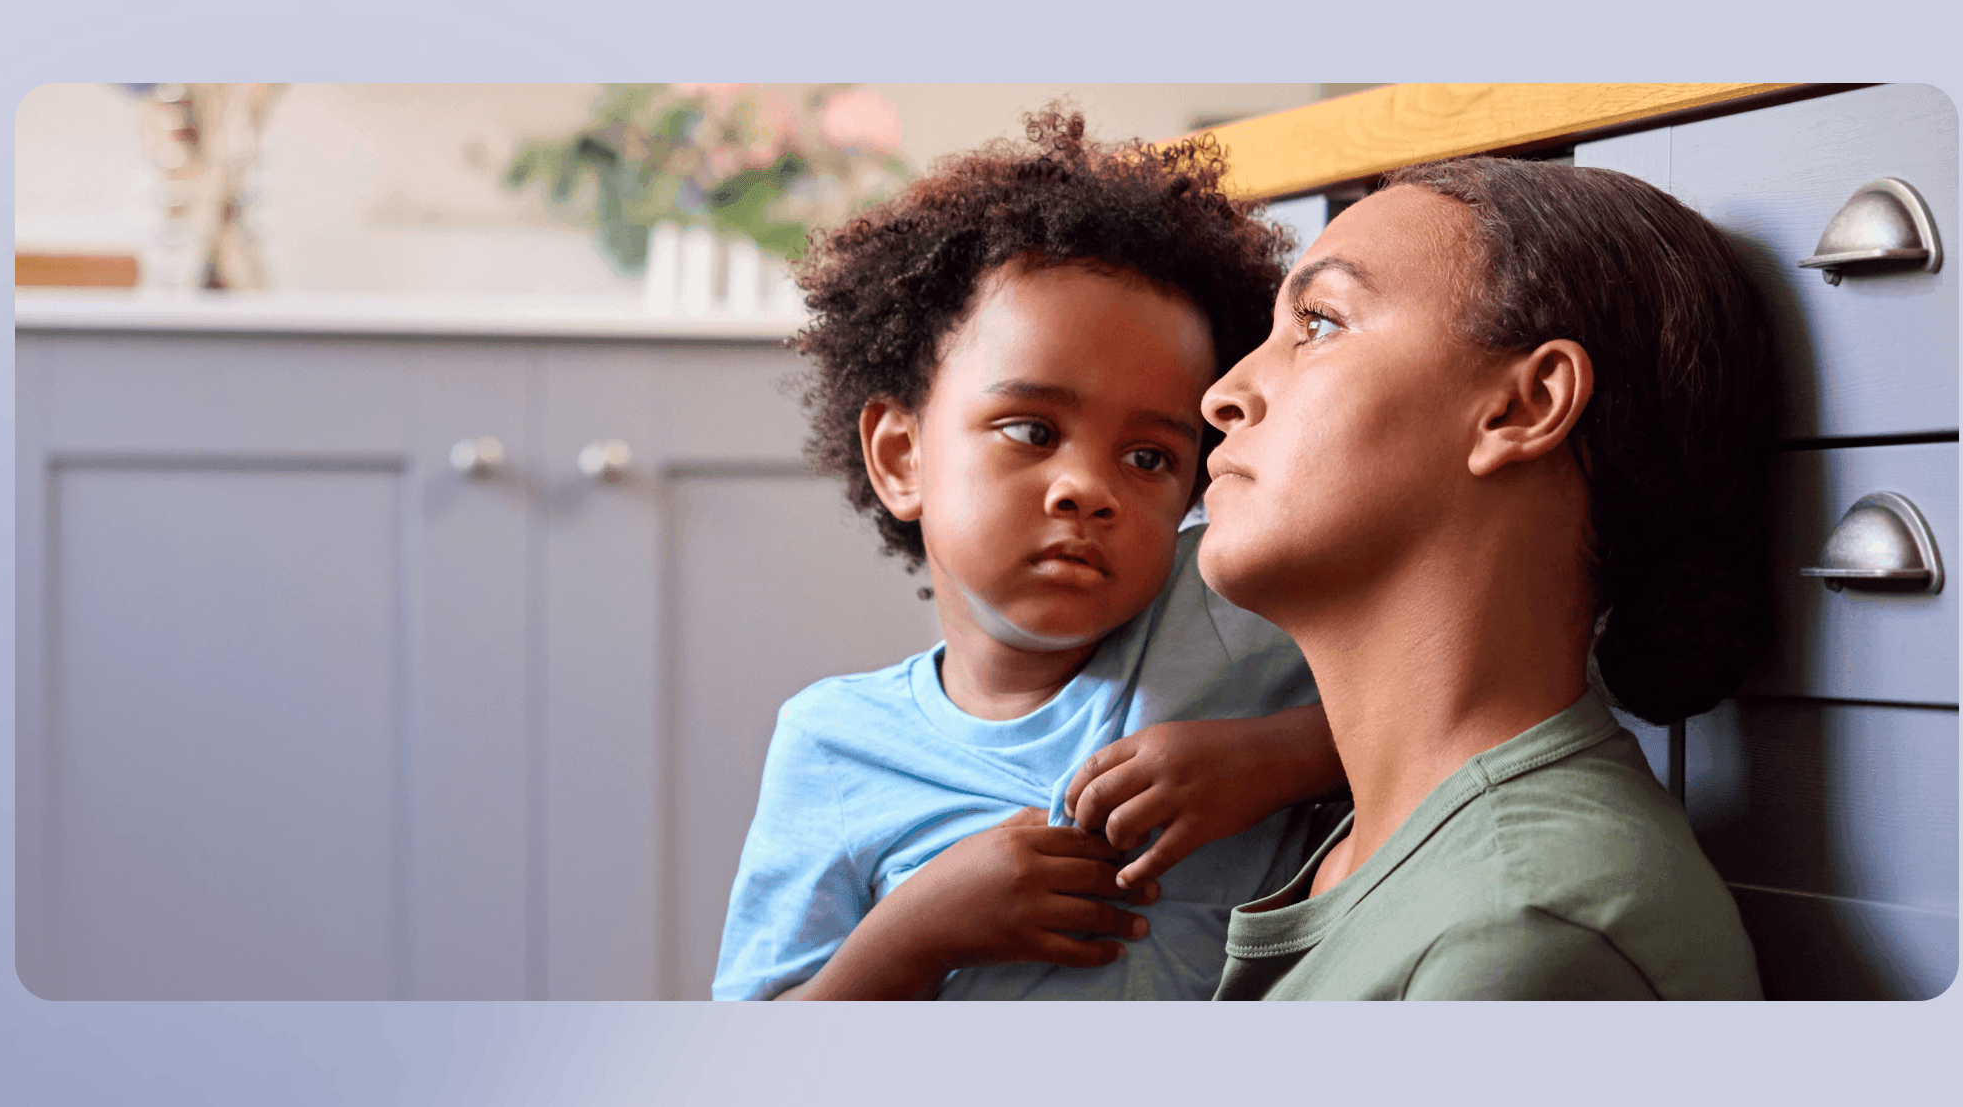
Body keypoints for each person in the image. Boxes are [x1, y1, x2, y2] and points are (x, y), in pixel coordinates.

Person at [711, 110, 1350, 1001]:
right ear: (902, 457)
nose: (1086, 488)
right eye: (1030, 429)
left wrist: (1276, 760)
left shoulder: (1229, 610)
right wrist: (916, 931)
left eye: (1149, 458)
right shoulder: (834, 747)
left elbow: (1460, 717)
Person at [1200, 157, 1768, 1000]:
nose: (1224, 394)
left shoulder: (1518, 935)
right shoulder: (1376, 855)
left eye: (1317, 324)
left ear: (1524, 406)